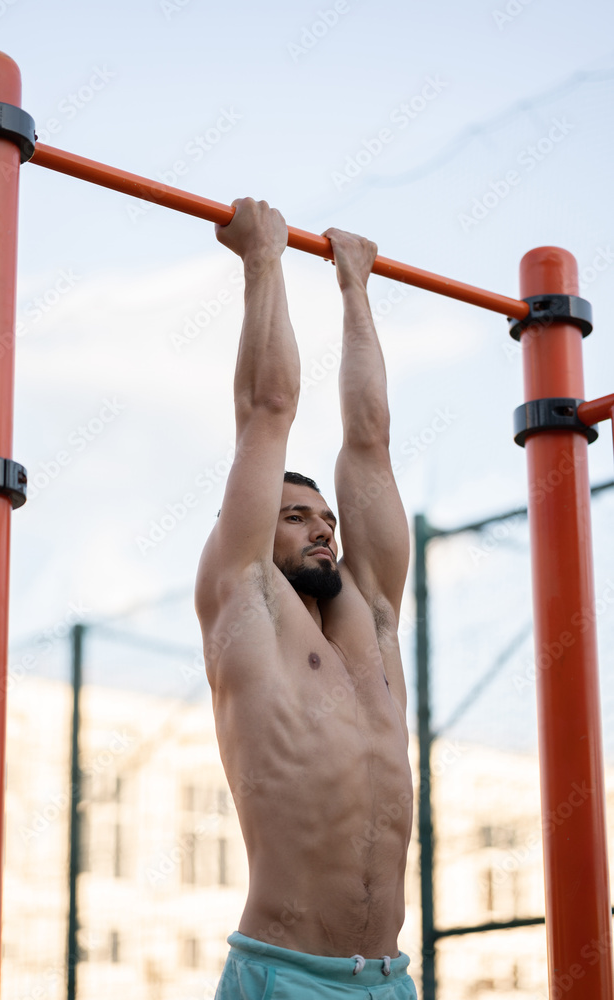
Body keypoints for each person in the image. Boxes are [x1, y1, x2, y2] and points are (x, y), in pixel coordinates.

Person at [195, 198, 416, 999]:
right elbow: (267, 411)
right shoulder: (243, 597)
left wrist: (355, 287)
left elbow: (370, 443)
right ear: (257, 527)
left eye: (327, 520)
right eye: (295, 517)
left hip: (389, 979)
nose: (322, 529)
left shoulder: (371, 614)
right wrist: (265, 261)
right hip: (285, 974)